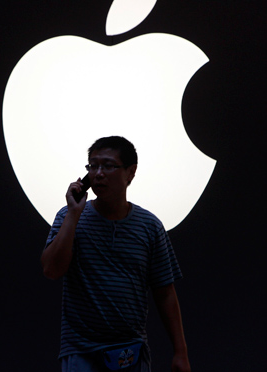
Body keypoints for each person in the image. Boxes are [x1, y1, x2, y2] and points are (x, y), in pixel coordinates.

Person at [41, 136, 191, 372]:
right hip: (81, 350)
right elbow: (51, 270)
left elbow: (165, 293)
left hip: (131, 351)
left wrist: (180, 352)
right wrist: (73, 214)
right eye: (93, 166)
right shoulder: (68, 216)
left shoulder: (150, 226)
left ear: (131, 172)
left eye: (108, 166)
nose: (98, 174)